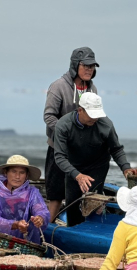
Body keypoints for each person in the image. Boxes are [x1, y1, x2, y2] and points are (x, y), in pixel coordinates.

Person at [53, 92, 137, 227]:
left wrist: (126, 167)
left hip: (98, 166)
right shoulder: (63, 125)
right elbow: (59, 157)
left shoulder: (106, 125)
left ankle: (95, 228)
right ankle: (74, 233)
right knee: (73, 205)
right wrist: (77, 175)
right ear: (80, 110)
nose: (95, 118)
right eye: (91, 115)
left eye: (97, 114)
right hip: (74, 167)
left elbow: (116, 149)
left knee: (94, 202)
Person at [43, 46, 100, 223]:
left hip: (81, 151)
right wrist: (66, 132)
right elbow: (48, 116)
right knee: (55, 194)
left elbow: (95, 117)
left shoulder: (92, 90)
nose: (89, 70)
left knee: (79, 193)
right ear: (75, 65)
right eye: (85, 66)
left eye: (92, 66)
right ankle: (47, 229)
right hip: (59, 147)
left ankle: (75, 228)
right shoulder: (58, 86)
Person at [0, 155, 50, 243]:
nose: (17, 176)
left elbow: (41, 209)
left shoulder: (32, 192)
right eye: (14, 171)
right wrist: (15, 224)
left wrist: (40, 218)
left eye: (22, 173)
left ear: (26, 175)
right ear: (6, 172)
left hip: (27, 243)